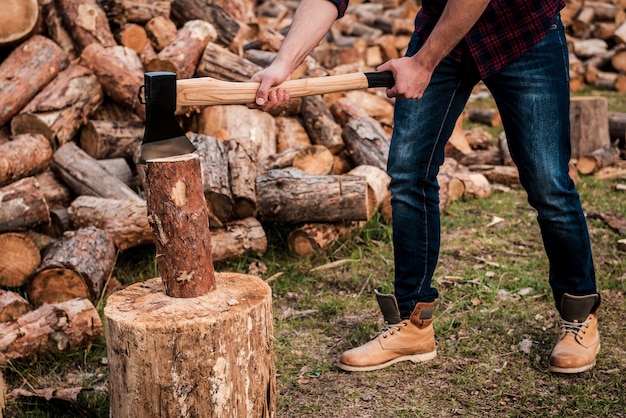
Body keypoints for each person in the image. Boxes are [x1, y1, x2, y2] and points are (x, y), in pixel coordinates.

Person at [250, 0, 601, 374]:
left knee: (548, 182)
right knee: (408, 173)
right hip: (440, 26)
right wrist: (284, 63)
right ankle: (412, 324)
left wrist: (422, 62)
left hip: (520, 29)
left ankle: (579, 315)